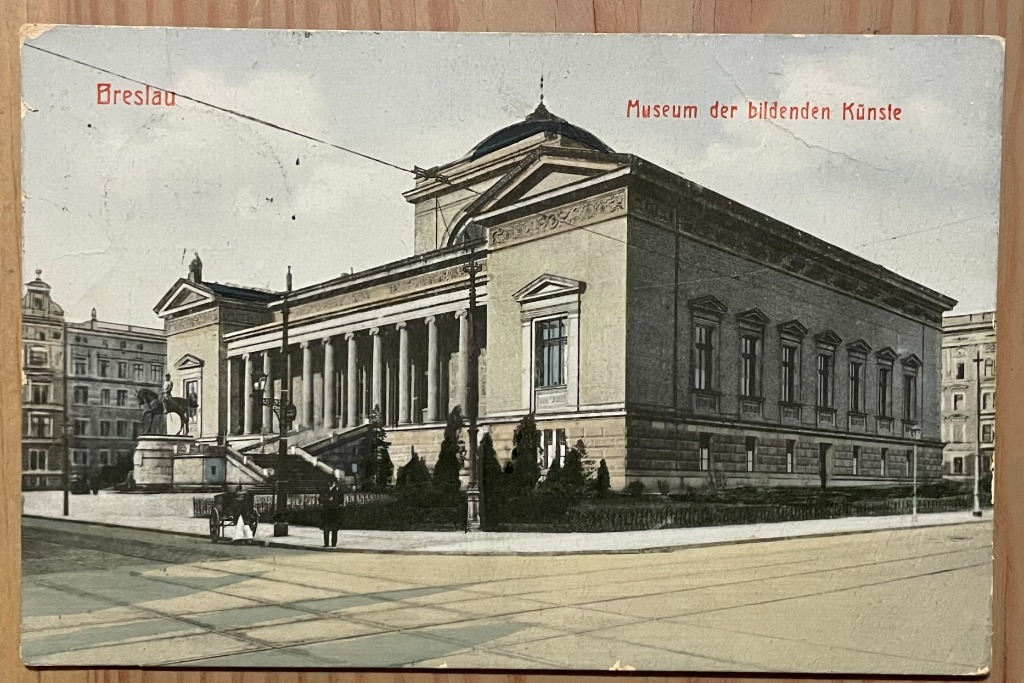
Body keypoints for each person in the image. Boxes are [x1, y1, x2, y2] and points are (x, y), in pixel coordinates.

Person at [319, 478, 343, 547]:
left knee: (334, 529)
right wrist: (326, 500)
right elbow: (320, 499)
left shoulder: (338, 490)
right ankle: (326, 544)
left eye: (331, 482)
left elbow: (341, 500)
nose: (329, 483)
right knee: (326, 529)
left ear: (334, 482)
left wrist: (334, 501)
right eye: (328, 482)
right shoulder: (324, 489)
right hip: (326, 512)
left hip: (334, 512)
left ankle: (333, 544)